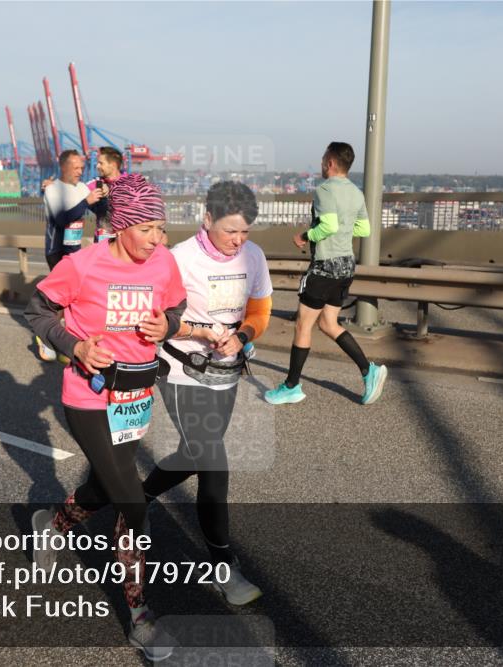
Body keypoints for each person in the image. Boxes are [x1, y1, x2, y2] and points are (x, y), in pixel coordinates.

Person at [25, 173, 187, 661]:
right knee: (132, 503)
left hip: (136, 394)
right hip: (88, 396)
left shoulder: (163, 262)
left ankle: (52, 524)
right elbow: (37, 311)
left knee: (104, 486)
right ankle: (140, 616)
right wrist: (74, 346)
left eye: (162, 228)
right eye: (149, 229)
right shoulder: (82, 265)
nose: (158, 240)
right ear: (121, 225)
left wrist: (169, 323)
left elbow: (176, 304)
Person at [142, 181, 272, 605]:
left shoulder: (253, 257)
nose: (238, 240)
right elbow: (157, 318)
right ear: (208, 219)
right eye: (230, 230)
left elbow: (259, 310)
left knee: (196, 453)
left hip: (226, 372)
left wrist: (244, 336)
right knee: (214, 462)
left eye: (245, 232)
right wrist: (200, 332)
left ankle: (135, 497)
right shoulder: (178, 259)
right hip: (182, 371)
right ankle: (223, 568)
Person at [265, 142, 388, 406]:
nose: (321, 163)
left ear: (330, 162)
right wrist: (342, 233)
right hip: (346, 266)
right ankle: (369, 371)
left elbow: (329, 225)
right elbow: (363, 229)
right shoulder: (356, 192)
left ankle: (291, 386)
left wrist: (305, 235)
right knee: (328, 324)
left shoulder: (324, 190)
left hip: (324, 267)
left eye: (323, 159)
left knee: (303, 325)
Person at [36, 149, 105, 362]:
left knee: (73, 298)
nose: (79, 171)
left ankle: (67, 342)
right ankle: (47, 339)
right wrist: (86, 202)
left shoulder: (83, 188)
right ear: (63, 167)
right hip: (56, 250)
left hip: (75, 251)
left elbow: (99, 211)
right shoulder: (53, 189)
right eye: (75, 167)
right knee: (61, 299)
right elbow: (61, 218)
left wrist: (105, 198)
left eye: (82, 168)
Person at [92, 146, 124, 242]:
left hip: (123, 243)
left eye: (101, 163)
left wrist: (110, 190)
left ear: (113, 164)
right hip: (101, 243)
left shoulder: (131, 184)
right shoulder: (95, 182)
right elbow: (76, 190)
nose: (97, 166)